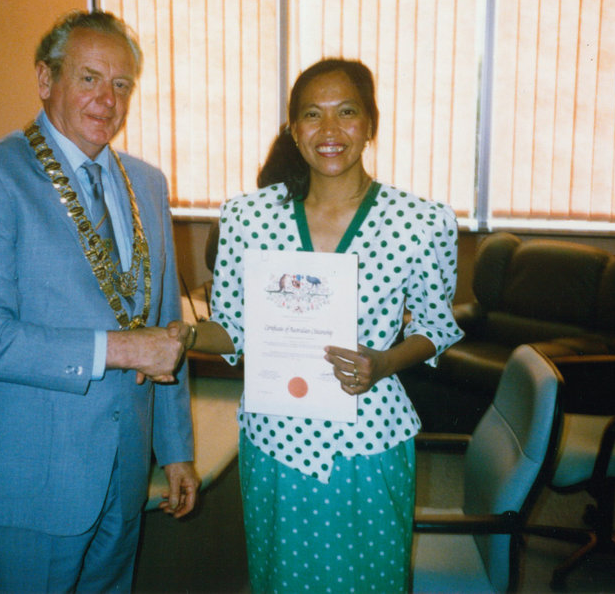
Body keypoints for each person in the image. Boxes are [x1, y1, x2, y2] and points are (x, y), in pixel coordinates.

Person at [0, 10, 199, 593]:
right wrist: (124, 350)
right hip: (29, 481)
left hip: (125, 472)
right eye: (89, 78)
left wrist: (175, 450)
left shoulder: (146, 182)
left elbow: (165, 326)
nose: (108, 99)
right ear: (46, 80)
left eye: (121, 84)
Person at [174, 58, 463, 593]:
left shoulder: (422, 222)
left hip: (370, 442)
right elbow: (231, 329)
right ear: (293, 129)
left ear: (370, 124)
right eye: (312, 115)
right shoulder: (247, 217)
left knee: (369, 582)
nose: (329, 131)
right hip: (275, 440)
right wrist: (183, 335)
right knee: (281, 580)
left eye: (346, 113)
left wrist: (385, 362)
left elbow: (435, 326)